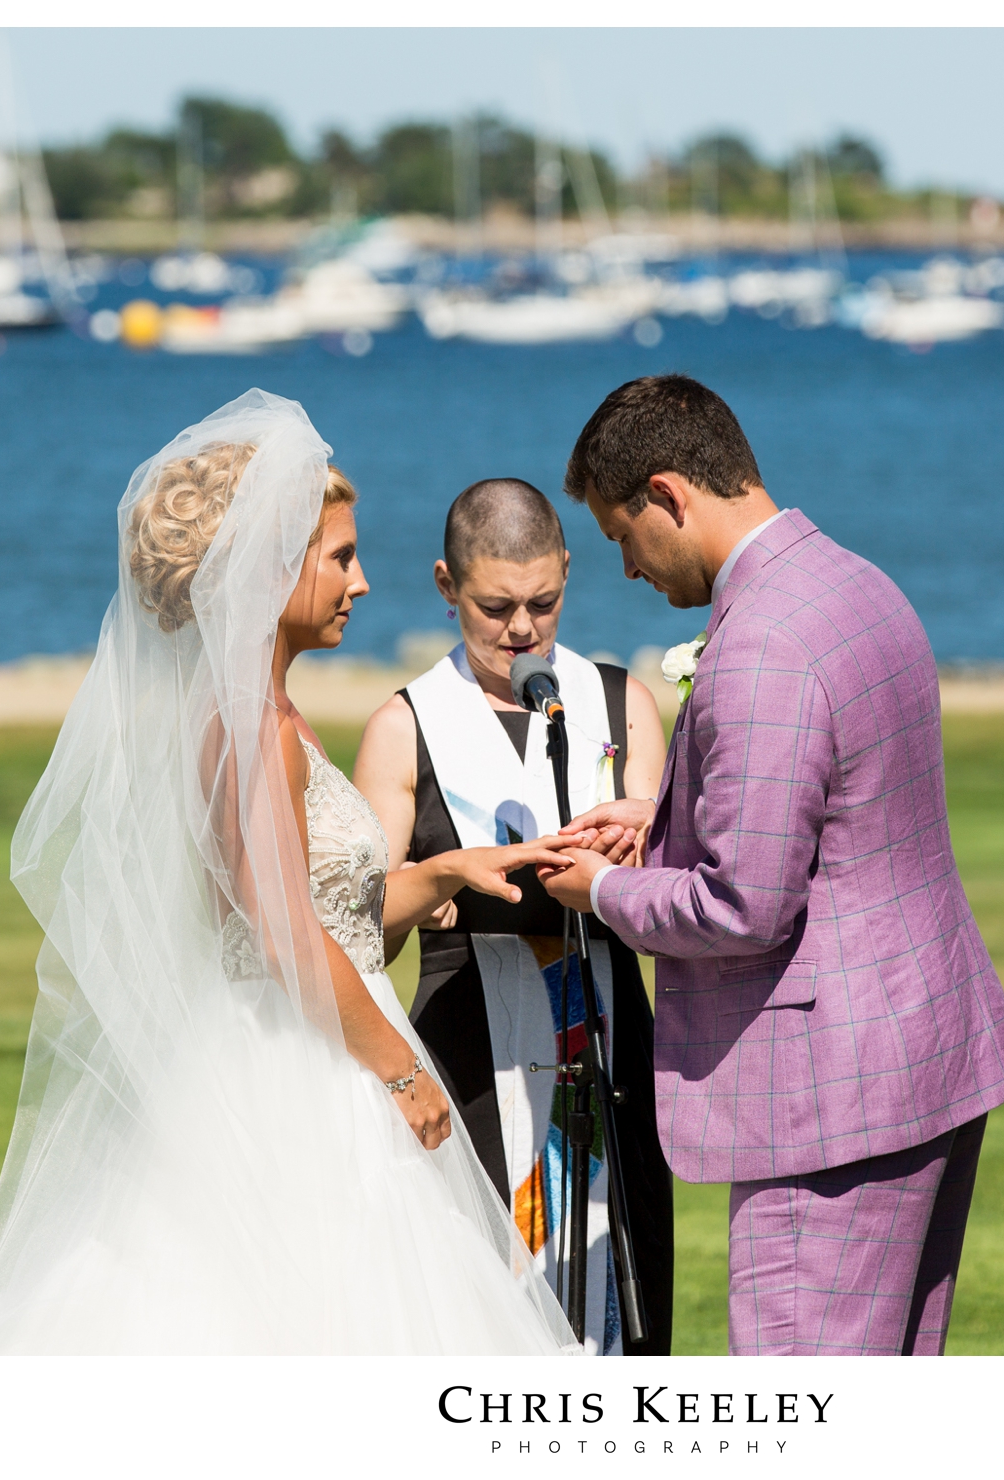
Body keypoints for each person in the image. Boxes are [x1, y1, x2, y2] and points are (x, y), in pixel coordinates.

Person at [0, 390, 576, 1354]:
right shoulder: (246, 721)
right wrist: (398, 1070)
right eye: (340, 557)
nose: (362, 582)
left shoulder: (264, 711)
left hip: (300, 1040)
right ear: (267, 568)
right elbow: (285, 926)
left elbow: (323, 906)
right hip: (299, 1071)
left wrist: (447, 870)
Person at [538, 374, 1004, 1356]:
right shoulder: (851, 580)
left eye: (618, 537)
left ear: (669, 494)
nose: (627, 571)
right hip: (921, 1051)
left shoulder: (758, 640)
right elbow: (842, 801)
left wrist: (599, 887)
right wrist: (666, 813)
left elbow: (742, 905)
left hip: (827, 1102)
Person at [353, 478, 676, 1355]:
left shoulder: (621, 704)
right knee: (478, 1331)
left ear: (569, 571)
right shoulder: (404, 727)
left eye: (544, 601)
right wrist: (438, 876)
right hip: (467, 1050)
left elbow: (670, 890)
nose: (522, 629)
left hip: (611, 1048)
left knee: (625, 1317)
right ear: (446, 585)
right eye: (495, 607)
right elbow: (359, 935)